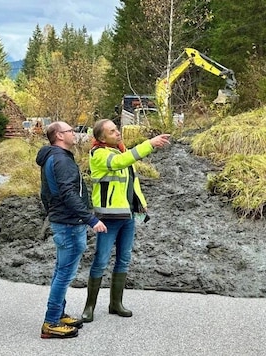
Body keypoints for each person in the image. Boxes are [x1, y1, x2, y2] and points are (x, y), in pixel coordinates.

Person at [81, 119, 170, 323]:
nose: (118, 133)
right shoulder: (100, 154)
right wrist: (149, 144)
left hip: (127, 215)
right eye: (112, 132)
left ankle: (115, 304)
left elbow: (131, 180)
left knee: (124, 259)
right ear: (102, 138)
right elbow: (120, 163)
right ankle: (89, 307)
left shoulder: (121, 150)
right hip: (108, 218)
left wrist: (141, 203)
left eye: (117, 129)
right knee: (101, 261)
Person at [36, 121, 107, 339]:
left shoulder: (53, 157)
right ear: (58, 135)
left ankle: (58, 313)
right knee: (64, 274)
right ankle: (51, 322)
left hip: (64, 221)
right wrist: (90, 219)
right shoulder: (60, 159)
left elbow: (45, 193)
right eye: (70, 131)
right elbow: (68, 194)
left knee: (61, 270)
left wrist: (53, 212)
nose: (74, 134)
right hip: (68, 223)